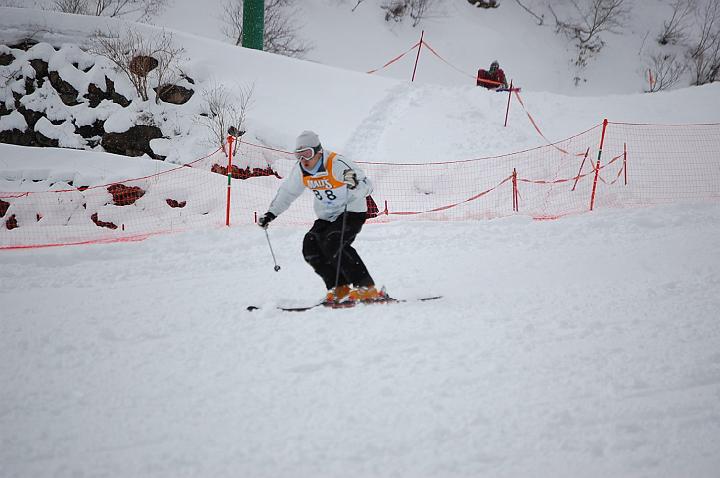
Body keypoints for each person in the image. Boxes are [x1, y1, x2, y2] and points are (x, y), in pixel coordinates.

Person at [257, 130, 384, 304]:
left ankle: (366, 288)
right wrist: (271, 214)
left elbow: (367, 187)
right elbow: (288, 192)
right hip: (327, 216)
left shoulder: (336, 164)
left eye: (307, 154)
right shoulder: (301, 170)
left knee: (333, 242)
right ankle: (340, 289)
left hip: (352, 211)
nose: (304, 160)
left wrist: (355, 185)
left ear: (318, 151)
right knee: (310, 247)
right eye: (299, 155)